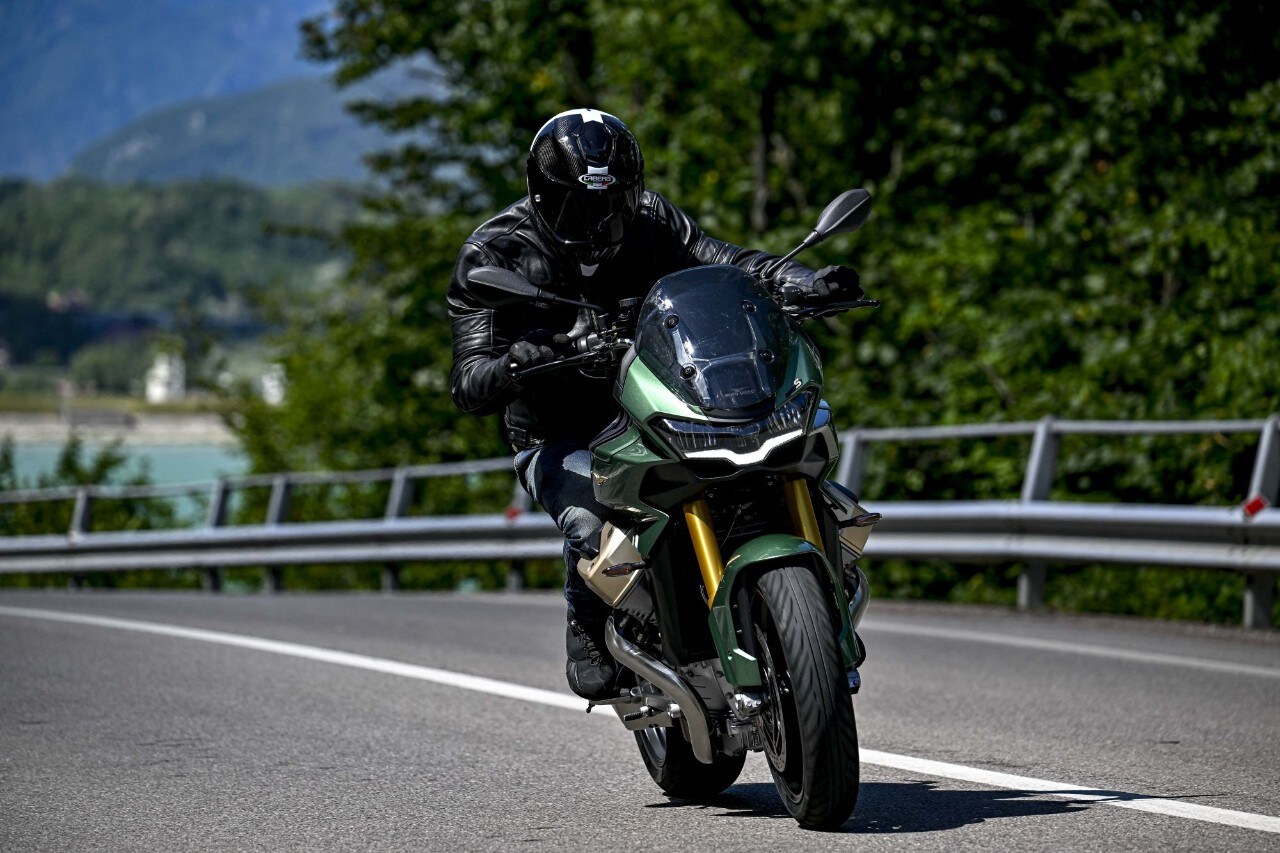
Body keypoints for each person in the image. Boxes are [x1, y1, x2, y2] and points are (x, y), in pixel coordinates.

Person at [447, 108, 862, 700]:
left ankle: (818, 593)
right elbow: (468, 380)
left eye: (615, 202)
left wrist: (799, 280)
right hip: (564, 430)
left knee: (793, 466)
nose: (601, 220)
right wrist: (519, 361)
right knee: (593, 519)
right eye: (579, 206)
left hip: (666, 397)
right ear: (542, 195)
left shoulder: (651, 218)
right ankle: (588, 621)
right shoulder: (495, 255)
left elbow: (725, 261)